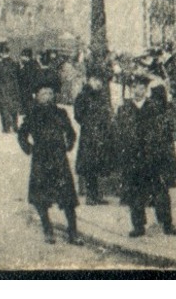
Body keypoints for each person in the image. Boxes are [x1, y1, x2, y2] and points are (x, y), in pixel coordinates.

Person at [18, 84, 81, 244]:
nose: (47, 96)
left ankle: (73, 232)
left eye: (50, 93)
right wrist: (29, 148)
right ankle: (48, 229)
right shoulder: (32, 113)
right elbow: (22, 134)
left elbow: (71, 132)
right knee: (41, 197)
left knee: (67, 198)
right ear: (37, 96)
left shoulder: (61, 113)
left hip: (59, 159)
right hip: (40, 159)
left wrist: (69, 144)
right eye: (43, 93)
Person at [121, 77, 176, 237]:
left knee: (160, 193)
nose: (138, 91)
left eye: (141, 88)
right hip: (133, 158)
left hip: (152, 158)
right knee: (135, 193)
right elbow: (118, 133)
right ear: (131, 89)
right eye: (135, 87)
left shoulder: (154, 107)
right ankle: (138, 226)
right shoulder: (124, 109)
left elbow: (162, 133)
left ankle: (167, 225)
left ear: (146, 90)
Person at [72, 67, 118, 204]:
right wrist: (89, 124)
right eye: (96, 80)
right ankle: (90, 196)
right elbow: (78, 115)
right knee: (89, 165)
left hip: (102, 134)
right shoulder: (83, 96)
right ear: (89, 80)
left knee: (99, 164)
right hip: (89, 136)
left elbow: (107, 112)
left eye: (101, 81)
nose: (99, 83)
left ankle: (96, 194)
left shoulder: (101, 96)